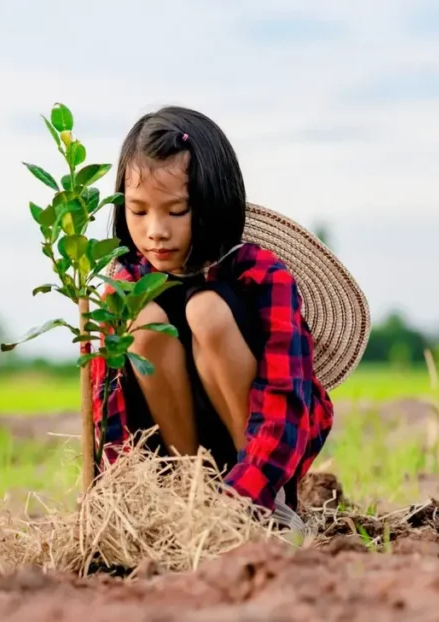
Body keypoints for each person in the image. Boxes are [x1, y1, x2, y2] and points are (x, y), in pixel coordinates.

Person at [88, 105, 370, 532]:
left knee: (206, 309)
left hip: (260, 458)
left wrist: (247, 495)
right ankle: (191, 496)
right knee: (142, 322)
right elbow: (109, 408)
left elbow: (284, 394)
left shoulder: (259, 276)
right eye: (139, 211)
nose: (155, 231)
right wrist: (115, 498)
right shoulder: (125, 287)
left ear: (209, 203)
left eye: (176, 211)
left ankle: (264, 508)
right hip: (172, 463)